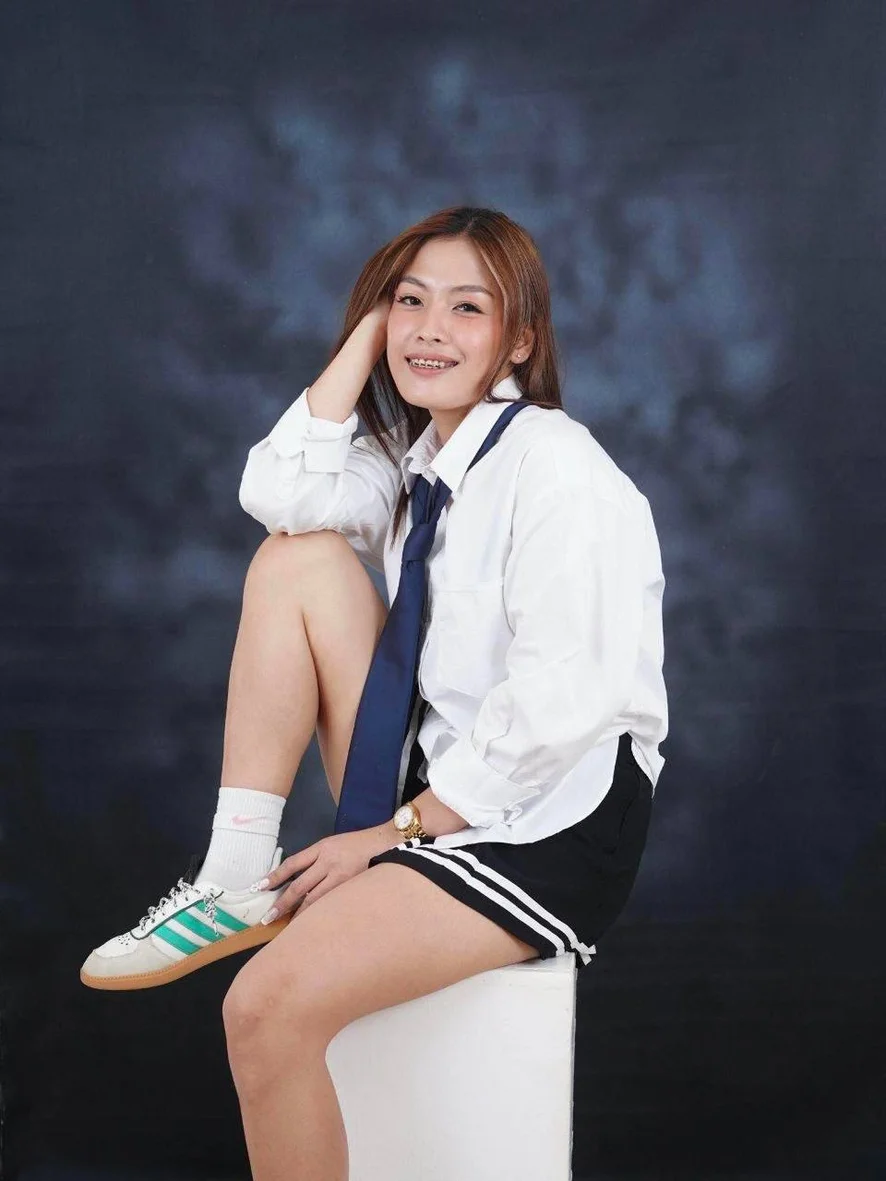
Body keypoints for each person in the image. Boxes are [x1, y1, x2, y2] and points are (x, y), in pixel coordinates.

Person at [80, 206, 667, 1179]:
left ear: (521, 340)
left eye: (467, 309)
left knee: (263, 1007)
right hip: (440, 779)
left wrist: (393, 832)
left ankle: (337, 868)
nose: (430, 329)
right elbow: (277, 491)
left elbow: (565, 701)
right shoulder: (418, 466)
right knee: (297, 557)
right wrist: (367, 336)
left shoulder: (558, 468)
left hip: (546, 821)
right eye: (411, 302)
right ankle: (234, 867)